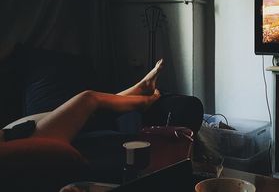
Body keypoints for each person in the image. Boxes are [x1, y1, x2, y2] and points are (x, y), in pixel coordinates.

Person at [0, 59, 165, 144]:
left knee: (78, 113)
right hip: (17, 142)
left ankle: (138, 90)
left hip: (10, 133)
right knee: (87, 99)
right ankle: (142, 101)